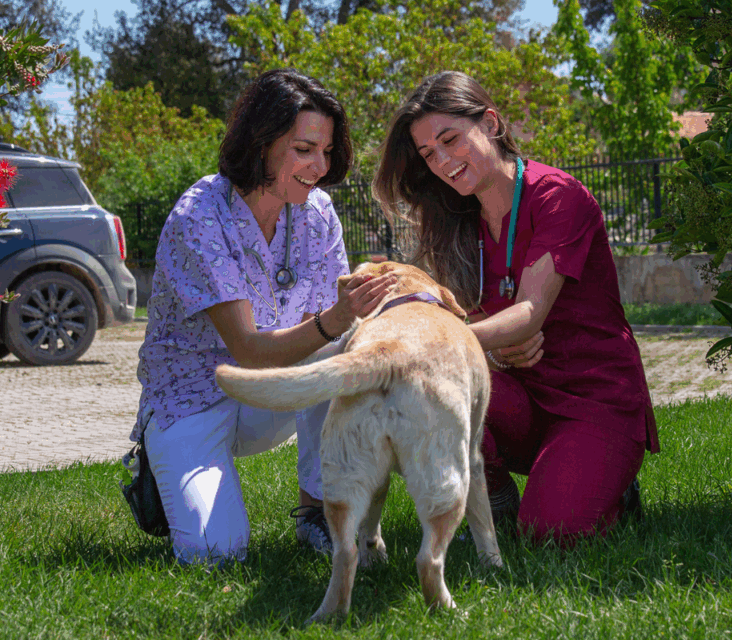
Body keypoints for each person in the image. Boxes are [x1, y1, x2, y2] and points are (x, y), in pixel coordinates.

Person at [372, 71, 659, 546]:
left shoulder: (556, 195)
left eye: (450, 140)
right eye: (428, 154)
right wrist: (494, 351)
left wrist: (429, 339)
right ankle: (498, 502)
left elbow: (528, 311)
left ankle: (614, 486)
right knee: (417, 394)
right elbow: (477, 323)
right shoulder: (456, 216)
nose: (442, 161)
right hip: (523, 397)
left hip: (594, 400)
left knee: (551, 533)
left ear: (489, 123)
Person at [132, 68, 397, 565]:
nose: (319, 166)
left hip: (273, 393)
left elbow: (333, 329)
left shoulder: (316, 212)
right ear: (260, 142)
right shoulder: (200, 215)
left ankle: (318, 511)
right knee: (217, 554)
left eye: (326, 151)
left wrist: (355, 319)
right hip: (193, 396)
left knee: (347, 352)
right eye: (303, 149)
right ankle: (161, 460)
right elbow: (249, 350)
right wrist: (335, 321)